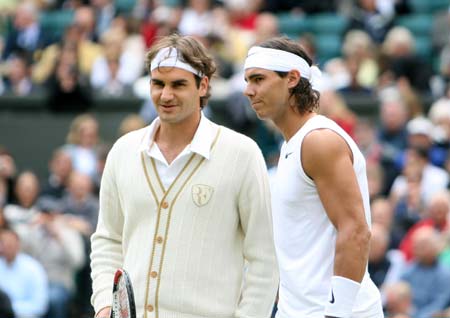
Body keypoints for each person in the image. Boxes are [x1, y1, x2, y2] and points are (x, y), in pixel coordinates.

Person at [90, 34, 279, 318]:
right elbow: (108, 240)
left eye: (178, 84)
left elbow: (264, 258)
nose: (165, 95)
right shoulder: (123, 151)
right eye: (158, 84)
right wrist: (105, 303)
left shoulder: (242, 153)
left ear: (203, 86)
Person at [243, 36, 383, 318]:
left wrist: (336, 313)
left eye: (258, 79)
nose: (249, 90)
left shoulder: (318, 141)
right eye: (247, 80)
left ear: (292, 78)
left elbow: (355, 232)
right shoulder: (292, 145)